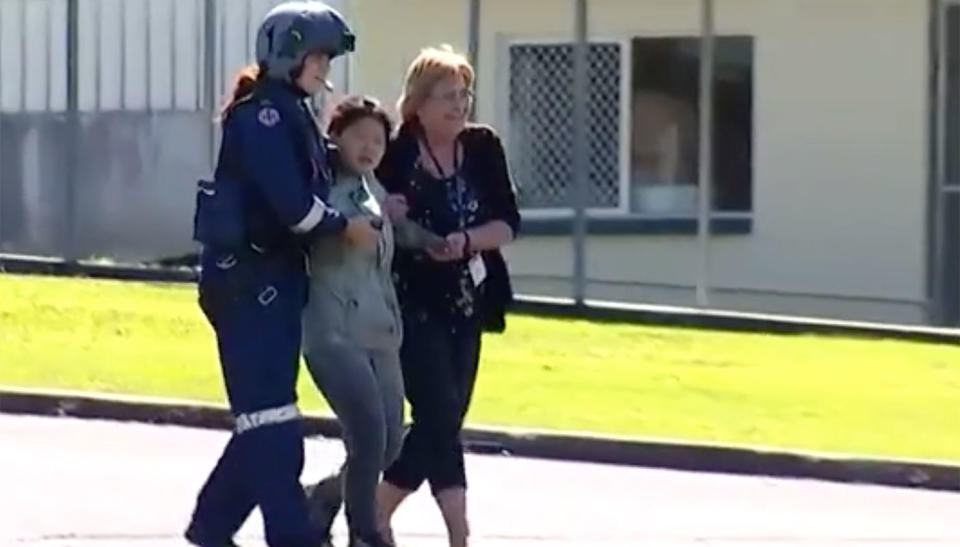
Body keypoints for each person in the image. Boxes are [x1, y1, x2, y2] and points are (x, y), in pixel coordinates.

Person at [184, 3, 378, 546]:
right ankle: (293, 537)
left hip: (271, 282)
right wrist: (346, 227)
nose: (324, 68)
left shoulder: (291, 111)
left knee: (264, 423)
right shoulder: (265, 116)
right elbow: (295, 208)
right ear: (287, 55)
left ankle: (210, 530)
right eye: (317, 56)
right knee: (273, 428)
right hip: (248, 285)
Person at [373, 45, 521, 547]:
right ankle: (455, 533)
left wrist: (464, 241)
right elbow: (367, 207)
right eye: (446, 97)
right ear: (417, 103)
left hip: (468, 300)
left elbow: (507, 224)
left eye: (464, 95)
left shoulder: (483, 147)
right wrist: (388, 214)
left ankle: (366, 510)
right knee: (437, 414)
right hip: (409, 301)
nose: (459, 106)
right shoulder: (396, 152)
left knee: (445, 419)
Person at [300, 96, 445, 547]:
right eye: (358, 136)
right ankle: (366, 533)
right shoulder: (318, 189)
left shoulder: (373, 189)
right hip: (332, 329)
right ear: (336, 137)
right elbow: (307, 229)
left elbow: (388, 234)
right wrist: (340, 225)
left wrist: (428, 240)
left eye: (378, 140)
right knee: (366, 434)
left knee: (389, 444)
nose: (368, 148)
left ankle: (322, 498)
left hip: (381, 330)